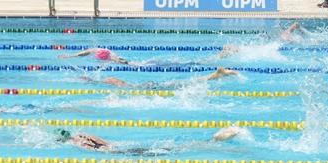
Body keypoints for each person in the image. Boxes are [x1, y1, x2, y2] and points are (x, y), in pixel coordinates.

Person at [81, 67, 239, 88]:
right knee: (183, 84)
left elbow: (106, 82)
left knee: (182, 85)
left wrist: (91, 81)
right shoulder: (123, 83)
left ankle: (214, 76)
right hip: (149, 84)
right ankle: (213, 76)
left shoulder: (123, 85)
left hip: (148, 87)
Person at [54, 128, 170, 156]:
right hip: (112, 147)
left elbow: (93, 150)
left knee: (146, 153)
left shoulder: (77, 143)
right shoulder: (82, 134)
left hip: (112, 151)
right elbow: (103, 142)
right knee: (146, 150)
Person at [58, 48, 129, 65]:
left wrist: (69, 56)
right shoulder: (95, 50)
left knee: (118, 61)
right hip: (111, 56)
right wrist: (70, 56)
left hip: (112, 57)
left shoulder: (111, 56)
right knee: (118, 60)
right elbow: (82, 54)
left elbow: (81, 54)